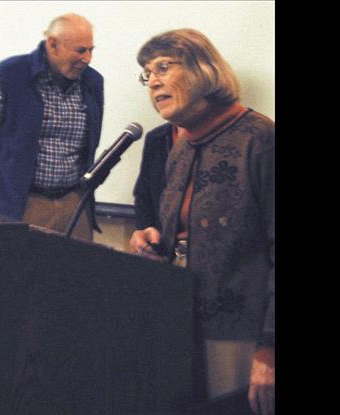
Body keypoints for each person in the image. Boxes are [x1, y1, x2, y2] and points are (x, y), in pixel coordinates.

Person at [130, 28, 275, 415]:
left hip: (240, 333)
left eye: (163, 67)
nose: (153, 81)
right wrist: (155, 240)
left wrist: (270, 349)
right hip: (176, 320)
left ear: (201, 69)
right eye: (148, 73)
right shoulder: (180, 149)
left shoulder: (260, 139)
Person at [0, 13, 104, 240]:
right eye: (80, 50)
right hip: (22, 204)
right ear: (53, 45)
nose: (87, 58)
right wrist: (0, 186)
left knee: (75, 272)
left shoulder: (93, 82)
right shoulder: (8, 74)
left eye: (91, 49)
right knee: (18, 273)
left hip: (73, 204)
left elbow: (89, 144)